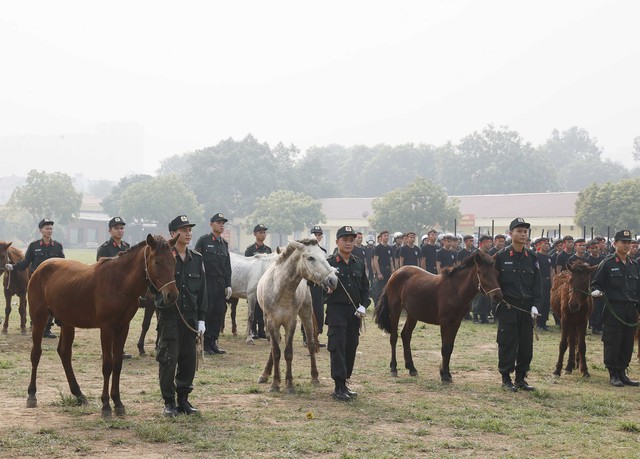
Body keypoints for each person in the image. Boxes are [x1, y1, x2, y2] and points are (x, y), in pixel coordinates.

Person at [155, 215, 207, 416]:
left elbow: (202, 291)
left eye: (189, 229)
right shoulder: (165, 257)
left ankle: (183, 398)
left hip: (191, 319)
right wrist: (163, 306)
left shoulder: (197, 259)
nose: (188, 233)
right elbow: (156, 288)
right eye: (183, 230)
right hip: (170, 318)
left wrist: (202, 318)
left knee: (188, 360)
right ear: (172, 234)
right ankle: (169, 402)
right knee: (168, 359)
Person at [494, 218, 541, 392]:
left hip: (527, 307)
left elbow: (537, 284)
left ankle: (521, 378)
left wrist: (536, 305)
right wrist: (498, 301)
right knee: (507, 343)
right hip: (508, 306)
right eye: (519, 231)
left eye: (525, 232)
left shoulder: (532, 257)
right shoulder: (501, 256)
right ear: (510, 234)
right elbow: (493, 282)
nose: (523, 234)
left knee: (525, 345)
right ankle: (506, 378)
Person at [325, 226, 370, 401]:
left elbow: (366, 289)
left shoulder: (358, 262)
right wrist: (326, 291)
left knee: (351, 346)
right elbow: (315, 287)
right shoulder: (329, 263)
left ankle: (345, 383)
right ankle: (338, 386)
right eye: (345, 240)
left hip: (354, 312)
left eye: (351, 240)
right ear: (337, 242)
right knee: (338, 348)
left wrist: (364, 306)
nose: (349, 243)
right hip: (336, 311)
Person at [591, 230, 640, 387]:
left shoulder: (634, 265)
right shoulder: (608, 263)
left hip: (630, 309)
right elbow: (596, 284)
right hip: (614, 309)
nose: (626, 245)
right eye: (623, 242)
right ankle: (613, 373)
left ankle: (622, 372)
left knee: (627, 342)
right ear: (615, 244)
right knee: (613, 341)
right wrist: (597, 291)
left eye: (628, 242)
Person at [5, 218, 64, 338]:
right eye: (47, 228)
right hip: (36, 280)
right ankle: (36, 325)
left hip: (53, 281)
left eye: (51, 229)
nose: (49, 231)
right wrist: (13, 267)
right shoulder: (33, 246)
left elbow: (63, 263)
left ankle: (47, 329)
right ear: (41, 230)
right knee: (37, 305)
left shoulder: (58, 246)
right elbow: (26, 262)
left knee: (51, 304)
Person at [194, 213, 232, 355]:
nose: (221, 225)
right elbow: (196, 262)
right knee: (207, 311)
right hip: (207, 282)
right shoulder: (204, 241)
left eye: (223, 223)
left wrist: (228, 284)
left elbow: (227, 266)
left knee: (218, 312)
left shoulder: (224, 244)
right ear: (211, 224)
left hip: (220, 282)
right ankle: (205, 344)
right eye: (218, 222)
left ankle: (213, 342)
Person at [97, 216, 133, 359]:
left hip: (124, 292)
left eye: (122, 228)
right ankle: (107, 350)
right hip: (109, 292)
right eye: (116, 228)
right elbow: (100, 271)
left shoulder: (127, 247)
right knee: (109, 323)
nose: (120, 231)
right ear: (110, 230)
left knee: (123, 321)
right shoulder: (104, 248)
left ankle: (119, 350)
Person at [245, 223, 272, 339]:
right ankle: (253, 330)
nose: (263, 234)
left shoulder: (268, 250)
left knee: (262, 309)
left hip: (264, 284)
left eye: (264, 232)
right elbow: (247, 266)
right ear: (255, 234)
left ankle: (261, 330)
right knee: (253, 307)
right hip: (252, 284)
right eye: (260, 232)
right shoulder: (250, 250)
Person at [305, 225, 327, 347]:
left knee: (318, 311)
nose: (317, 237)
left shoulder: (323, 251)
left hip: (318, 285)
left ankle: (316, 336)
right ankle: (306, 337)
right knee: (307, 311)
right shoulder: (306, 251)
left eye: (319, 235)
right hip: (307, 284)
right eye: (315, 234)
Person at [534, 237, 553, 331]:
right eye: (544, 244)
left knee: (546, 303)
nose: (547, 245)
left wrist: (552, 283)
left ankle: (544, 322)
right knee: (540, 303)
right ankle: (538, 323)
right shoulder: (536, 256)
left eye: (547, 243)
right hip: (539, 281)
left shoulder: (549, 257)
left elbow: (551, 271)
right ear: (539, 245)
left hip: (547, 281)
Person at [586, 239, 604, 334]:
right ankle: (594, 326)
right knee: (594, 308)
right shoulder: (588, 260)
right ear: (589, 249)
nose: (595, 250)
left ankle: (600, 325)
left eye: (596, 247)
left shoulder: (603, 259)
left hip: (603, 286)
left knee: (602, 307)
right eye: (592, 248)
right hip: (593, 286)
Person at [372, 231, 394, 305]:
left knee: (388, 289)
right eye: (384, 236)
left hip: (388, 270)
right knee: (379, 290)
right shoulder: (378, 248)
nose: (386, 237)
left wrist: (393, 270)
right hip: (381, 269)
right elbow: (375, 260)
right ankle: (378, 306)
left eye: (387, 236)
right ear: (381, 237)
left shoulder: (389, 248)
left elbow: (391, 261)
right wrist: (378, 273)